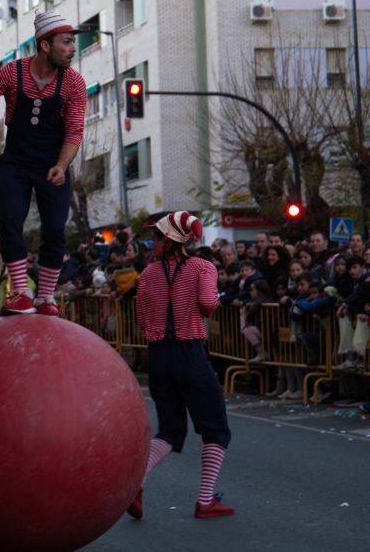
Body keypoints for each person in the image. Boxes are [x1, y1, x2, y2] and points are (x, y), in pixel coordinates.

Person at [0, 10, 88, 316]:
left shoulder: (74, 83)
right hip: (15, 163)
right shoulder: (12, 73)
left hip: (53, 164)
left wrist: (62, 165)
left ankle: (46, 297)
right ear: (45, 45)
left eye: (72, 43)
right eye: (66, 42)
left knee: (55, 229)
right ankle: (22, 293)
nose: (72, 48)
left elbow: (75, 130)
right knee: (10, 221)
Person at [127, 211, 233, 521]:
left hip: (158, 357)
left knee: (170, 432)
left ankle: (135, 485)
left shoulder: (146, 275)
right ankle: (205, 500)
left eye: (156, 237)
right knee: (216, 429)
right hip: (190, 354)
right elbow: (208, 306)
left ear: (168, 240)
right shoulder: (203, 267)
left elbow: (141, 320)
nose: (153, 242)